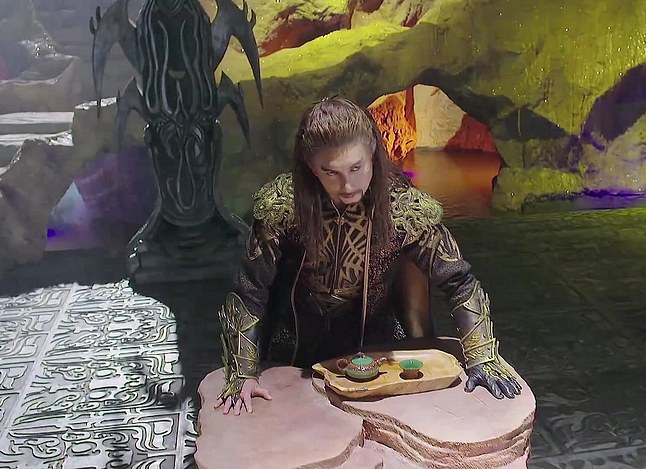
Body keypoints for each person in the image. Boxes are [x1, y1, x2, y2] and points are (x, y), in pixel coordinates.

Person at [215, 96, 521, 415]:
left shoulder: (403, 208)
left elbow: (460, 282)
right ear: (310, 166)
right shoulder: (282, 208)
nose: (347, 185)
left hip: (376, 349)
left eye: (356, 168)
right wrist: (243, 374)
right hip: (291, 350)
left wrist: (482, 357)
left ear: (373, 153)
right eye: (330, 172)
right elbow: (249, 291)